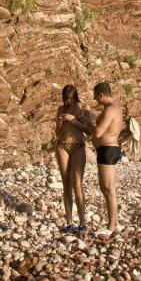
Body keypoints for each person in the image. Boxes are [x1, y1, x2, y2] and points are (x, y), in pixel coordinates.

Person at [62, 81, 123, 236]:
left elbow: (97, 133)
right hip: (109, 149)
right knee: (109, 188)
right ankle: (115, 223)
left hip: (107, 150)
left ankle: (110, 227)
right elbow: (94, 131)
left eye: (96, 96)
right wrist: (83, 123)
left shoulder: (110, 110)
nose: (95, 99)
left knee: (107, 188)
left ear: (101, 95)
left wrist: (81, 122)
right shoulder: (113, 109)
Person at [55, 84, 92, 233]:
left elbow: (89, 131)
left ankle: (83, 222)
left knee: (77, 184)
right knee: (66, 184)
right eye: (65, 98)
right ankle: (69, 222)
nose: (67, 101)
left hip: (78, 147)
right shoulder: (60, 109)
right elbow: (58, 132)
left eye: (70, 98)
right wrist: (60, 122)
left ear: (75, 97)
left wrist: (74, 120)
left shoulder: (84, 109)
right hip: (62, 145)